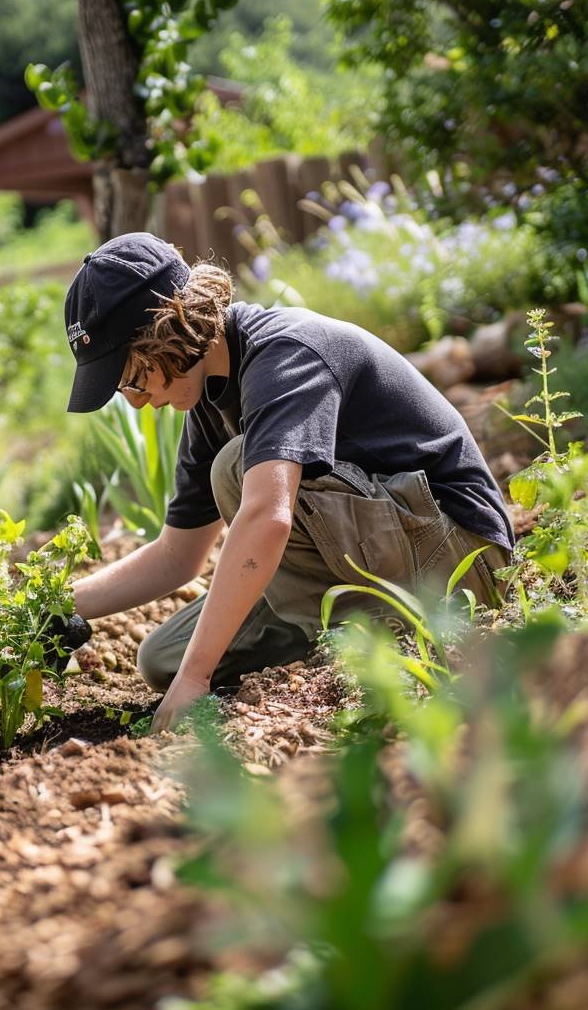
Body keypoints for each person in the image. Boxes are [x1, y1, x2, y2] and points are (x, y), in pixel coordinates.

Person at [64, 232, 514, 731]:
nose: (136, 400)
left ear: (166, 333)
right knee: (163, 659)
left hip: (459, 560)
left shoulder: (284, 355)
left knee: (238, 473)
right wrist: (56, 604)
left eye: (131, 378)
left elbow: (268, 517)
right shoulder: (210, 403)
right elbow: (177, 556)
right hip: (379, 555)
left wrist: (197, 679)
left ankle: (362, 655)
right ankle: (353, 635)